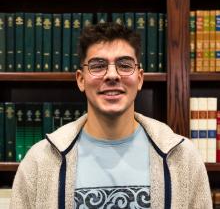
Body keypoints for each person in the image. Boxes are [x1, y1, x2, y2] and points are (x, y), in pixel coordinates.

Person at [10, 22, 212, 209]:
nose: (112, 75)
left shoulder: (184, 159)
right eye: (98, 65)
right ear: (81, 80)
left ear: (140, 78)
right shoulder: (39, 162)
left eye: (125, 65)